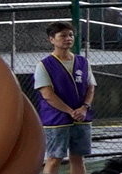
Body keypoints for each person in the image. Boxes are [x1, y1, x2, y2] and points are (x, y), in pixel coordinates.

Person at [30, 24, 93, 163]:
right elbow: (47, 94)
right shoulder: (44, 65)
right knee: (54, 159)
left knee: (78, 159)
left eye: (70, 35)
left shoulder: (83, 62)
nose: (68, 38)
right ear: (52, 39)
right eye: (63, 36)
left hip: (81, 117)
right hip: (56, 119)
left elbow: (90, 87)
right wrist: (70, 111)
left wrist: (84, 107)